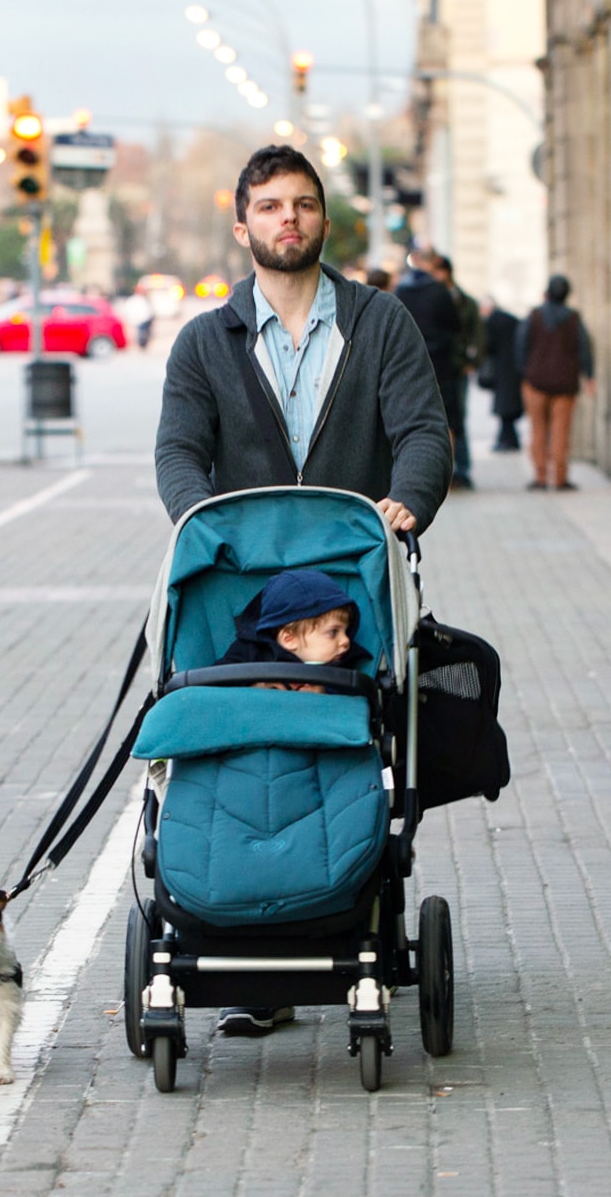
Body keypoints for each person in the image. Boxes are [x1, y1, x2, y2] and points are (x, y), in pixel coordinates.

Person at [155, 144, 451, 1037]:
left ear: (325, 221)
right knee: (247, 746)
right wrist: (199, 521)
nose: (290, 218)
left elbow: (423, 432)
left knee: (350, 737)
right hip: (241, 592)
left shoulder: (381, 324)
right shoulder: (206, 341)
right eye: (272, 206)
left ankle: (342, 907)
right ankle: (251, 931)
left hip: (348, 589)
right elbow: (177, 450)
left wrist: (409, 501)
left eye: (305, 204)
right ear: (242, 225)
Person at [213, 569, 371, 693]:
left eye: (346, 630)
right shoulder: (250, 652)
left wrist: (325, 694)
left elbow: (357, 706)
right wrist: (254, 687)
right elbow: (212, 685)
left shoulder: (341, 666)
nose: (346, 641)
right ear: (289, 639)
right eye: (333, 632)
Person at [393, 248, 470, 491]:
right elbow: (455, 325)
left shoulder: (401, 291)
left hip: (407, 363)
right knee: (447, 420)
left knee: (409, 418)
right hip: (442, 363)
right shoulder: (439, 291)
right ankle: (445, 478)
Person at [520, 274, 595, 491]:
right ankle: (560, 477)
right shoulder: (573, 318)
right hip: (565, 383)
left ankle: (541, 476)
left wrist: (526, 372)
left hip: (536, 383)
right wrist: (589, 376)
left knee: (538, 430)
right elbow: (584, 349)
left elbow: (521, 345)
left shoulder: (534, 316)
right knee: (561, 432)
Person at [433, 254, 483, 487]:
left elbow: (478, 334)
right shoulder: (433, 299)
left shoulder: (465, 301)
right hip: (439, 367)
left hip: (457, 368)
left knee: (458, 417)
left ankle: (462, 469)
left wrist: (471, 362)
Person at [484, 299, 524, 451]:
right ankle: (508, 439)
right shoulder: (510, 320)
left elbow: (488, 344)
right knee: (507, 407)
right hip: (512, 368)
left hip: (502, 369)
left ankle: (507, 440)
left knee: (505, 408)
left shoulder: (494, 321)